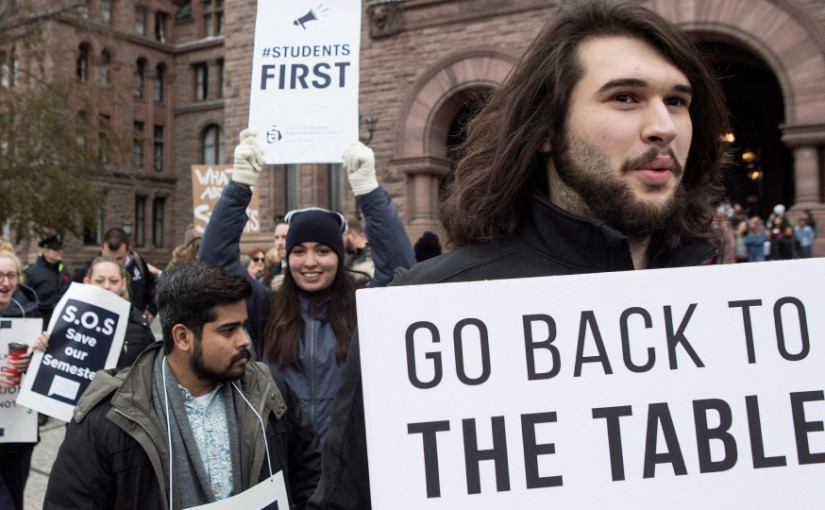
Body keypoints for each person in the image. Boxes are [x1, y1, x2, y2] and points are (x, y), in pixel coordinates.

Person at [309, 1, 731, 507]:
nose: (663, 126)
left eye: (678, 101)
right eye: (625, 97)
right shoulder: (423, 313)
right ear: (548, 130)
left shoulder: (738, 311)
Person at [44, 261, 322, 509]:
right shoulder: (113, 415)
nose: (244, 340)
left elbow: (311, 471)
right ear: (183, 337)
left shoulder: (269, 390)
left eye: (244, 326)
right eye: (228, 330)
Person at [199, 133, 415, 440]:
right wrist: (240, 185)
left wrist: (368, 190)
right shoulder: (267, 307)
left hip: (350, 463)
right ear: (288, 258)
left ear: (339, 258)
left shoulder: (362, 306)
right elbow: (214, 263)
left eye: (323, 251)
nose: (310, 262)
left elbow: (400, 270)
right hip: (284, 460)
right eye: (299, 251)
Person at [0, 249, 41, 510]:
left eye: (11, 275)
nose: (5, 282)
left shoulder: (30, 314)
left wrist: (38, 357)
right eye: (0, 275)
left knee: (16, 501)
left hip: (19, 434)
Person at [71, 228, 158, 323]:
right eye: (100, 280)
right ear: (102, 249)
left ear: (127, 250)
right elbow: (67, 295)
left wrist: (152, 309)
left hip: (134, 323)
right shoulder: (89, 268)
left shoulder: (138, 263)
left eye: (119, 258)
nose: (114, 263)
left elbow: (153, 285)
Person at [82, 256, 155, 366]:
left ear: (123, 284)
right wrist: (47, 344)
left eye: (114, 281)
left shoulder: (139, 324)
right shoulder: (70, 318)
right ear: (87, 283)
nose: (106, 286)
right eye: (99, 281)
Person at [22, 233, 71, 328]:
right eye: (55, 249)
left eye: (60, 249)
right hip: (39, 321)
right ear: (45, 251)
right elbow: (24, 299)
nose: (59, 252)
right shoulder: (31, 272)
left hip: (60, 320)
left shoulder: (63, 270)